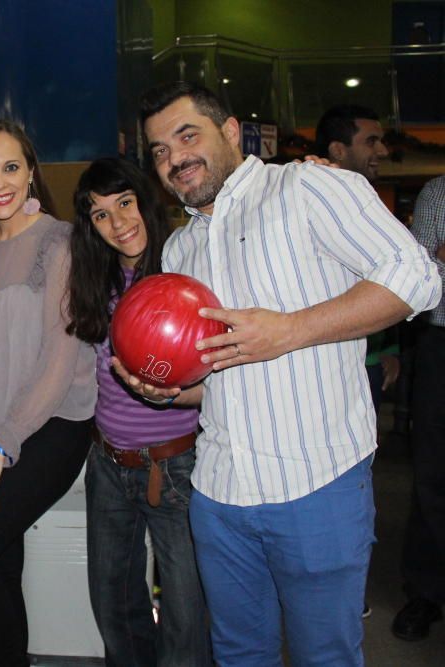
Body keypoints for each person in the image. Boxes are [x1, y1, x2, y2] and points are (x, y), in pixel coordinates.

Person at [116, 82, 440, 666]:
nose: (174, 157)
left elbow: (416, 277)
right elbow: (216, 379)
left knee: (325, 656)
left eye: (187, 136)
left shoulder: (307, 187)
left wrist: (290, 329)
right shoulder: (179, 254)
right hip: (218, 492)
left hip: (317, 484)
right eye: (159, 150)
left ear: (232, 132)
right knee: (239, 655)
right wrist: (167, 390)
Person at [0, 118, 97, 666]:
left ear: (31, 172)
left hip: (51, 426)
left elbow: (59, 363)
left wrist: (0, 445)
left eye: (11, 167)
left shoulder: (61, 242)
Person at [66, 157, 211, 667]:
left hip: (176, 466)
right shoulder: (97, 280)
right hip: (107, 462)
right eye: (101, 214)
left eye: (125, 203)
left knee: (187, 613)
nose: (118, 222)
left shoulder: (188, 272)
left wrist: (173, 392)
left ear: (146, 201)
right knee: (112, 601)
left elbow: (223, 365)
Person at [315, 104, 399, 415]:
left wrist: (388, 350)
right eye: (371, 141)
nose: (383, 150)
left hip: (367, 360)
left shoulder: (368, 204)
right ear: (338, 149)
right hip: (322, 367)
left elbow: (387, 278)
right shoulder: (303, 204)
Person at [393, 173, 445, 641]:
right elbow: (416, 273)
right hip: (441, 344)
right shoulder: (439, 192)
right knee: (433, 474)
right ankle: (426, 591)